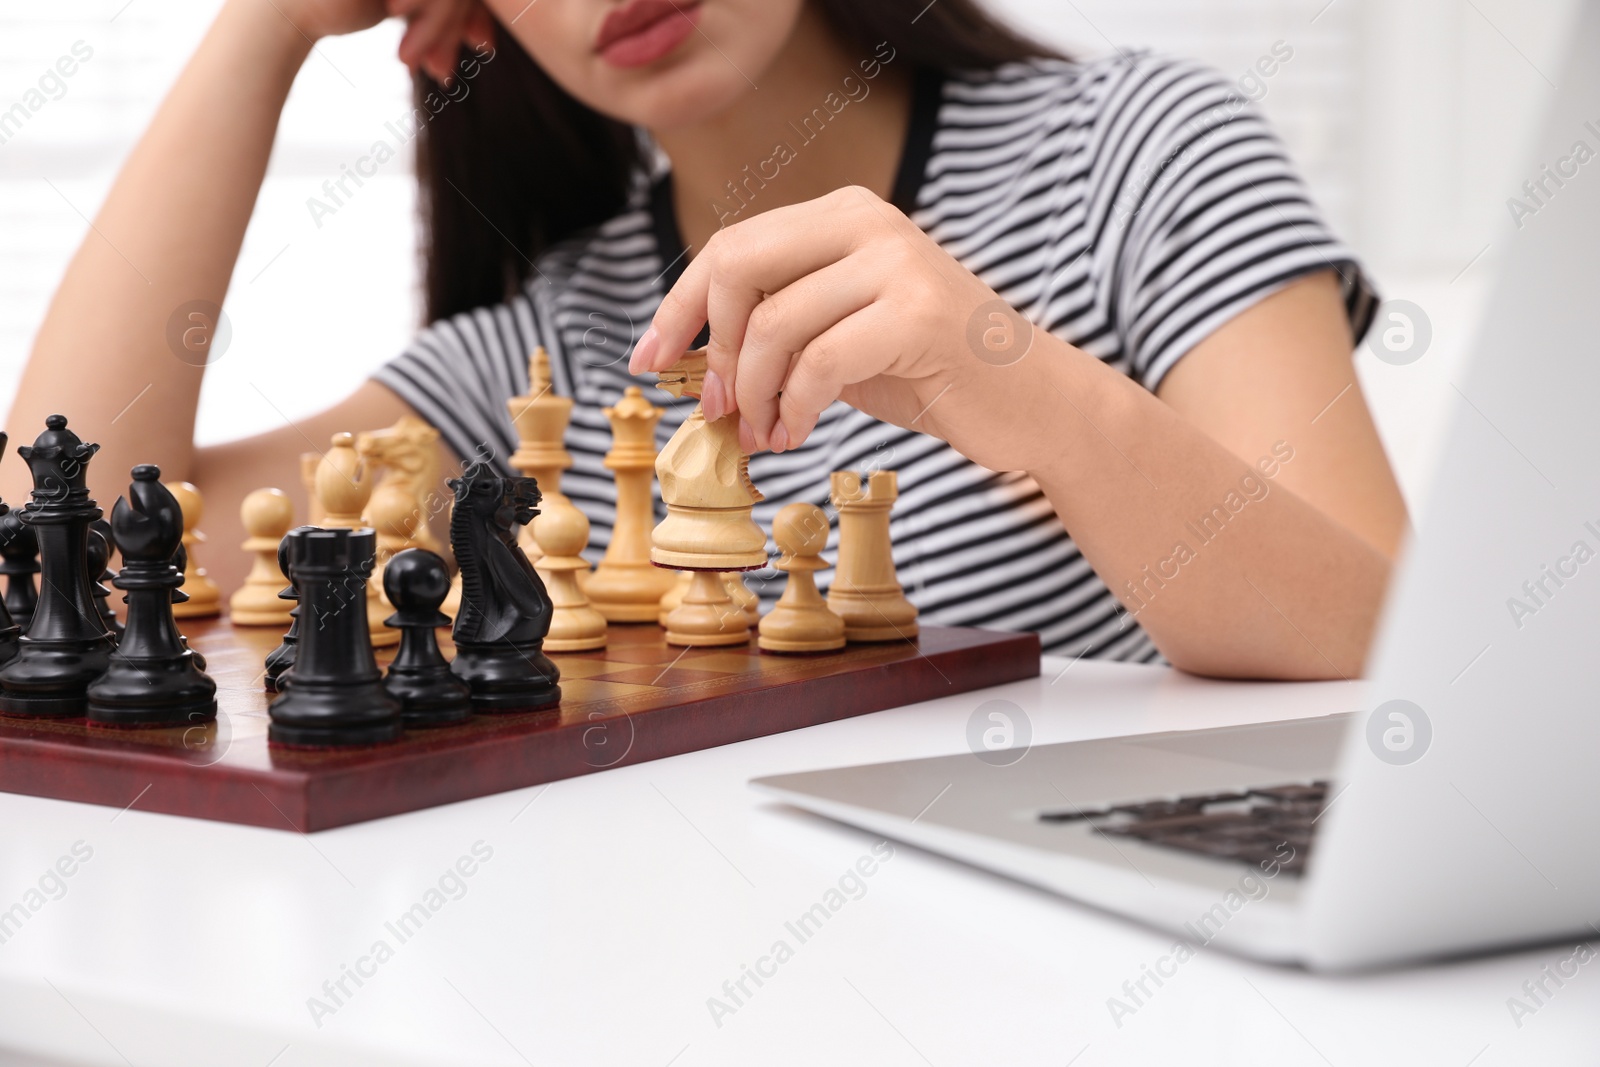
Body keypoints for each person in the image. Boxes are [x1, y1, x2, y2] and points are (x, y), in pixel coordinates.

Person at [3, 0, 1408, 678]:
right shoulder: (541, 362)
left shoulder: (1139, 155)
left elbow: (1392, 652)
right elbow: (42, 548)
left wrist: (1017, 383)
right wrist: (262, 30)